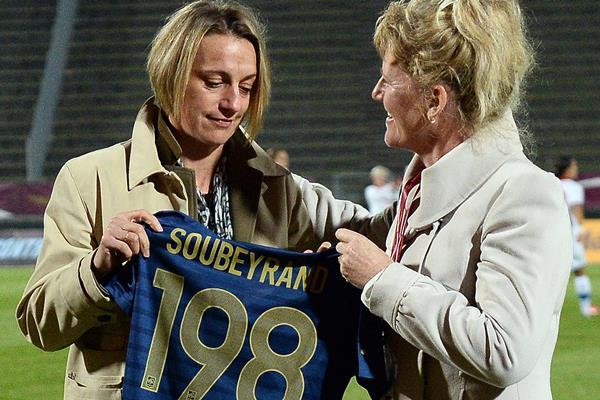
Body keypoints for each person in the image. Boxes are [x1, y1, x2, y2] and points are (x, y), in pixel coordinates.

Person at [15, 1, 392, 399]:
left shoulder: (281, 190)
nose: (233, 104)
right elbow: (40, 322)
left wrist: (432, 157)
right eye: (215, 82)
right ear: (171, 75)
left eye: (246, 87)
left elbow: (383, 231)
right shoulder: (89, 178)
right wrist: (98, 268)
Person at [334, 1, 572, 398]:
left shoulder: (523, 192)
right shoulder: (423, 191)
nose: (376, 93)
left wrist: (381, 278)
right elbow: (339, 220)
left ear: (434, 100)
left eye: (389, 80)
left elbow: (504, 351)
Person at [555, 155, 598, 317]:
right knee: (579, 271)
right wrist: (580, 230)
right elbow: (576, 210)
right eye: (574, 166)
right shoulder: (574, 187)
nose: (576, 169)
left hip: (553, 233)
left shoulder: (553, 183)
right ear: (567, 169)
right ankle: (586, 308)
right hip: (571, 233)